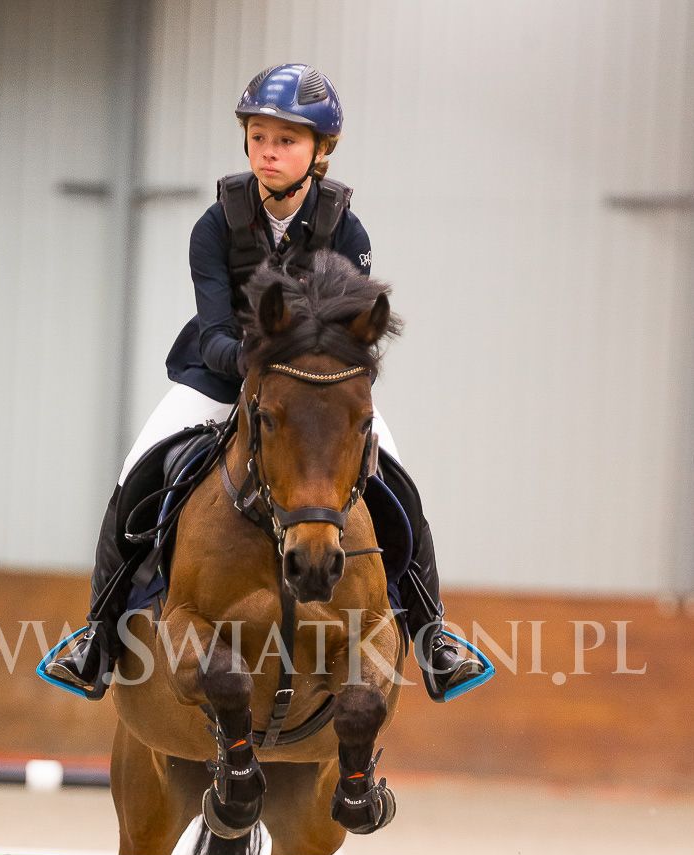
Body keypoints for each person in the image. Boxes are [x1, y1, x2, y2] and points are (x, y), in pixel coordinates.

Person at [46, 63, 485, 702]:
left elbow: (349, 333)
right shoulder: (215, 225)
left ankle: (432, 636)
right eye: (258, 138)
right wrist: (259, 366)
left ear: (321, 150)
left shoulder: (347, 230)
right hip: (219, 372)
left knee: (398, 482)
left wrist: (302, 376)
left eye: (286, 140)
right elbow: (214, 330)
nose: (268, 152)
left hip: (313, 391)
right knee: (137, 470)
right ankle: (98, 636)